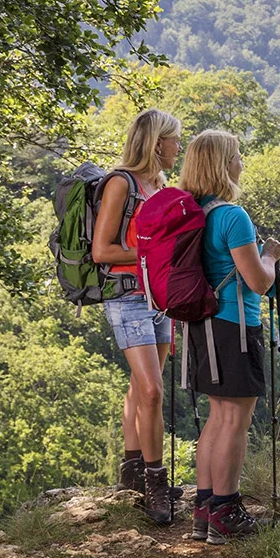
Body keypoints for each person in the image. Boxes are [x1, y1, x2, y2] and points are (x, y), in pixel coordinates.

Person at [178, 129, 280, 544]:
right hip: (235, 326)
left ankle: (204, 511)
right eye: (237, 156)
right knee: (235, 421)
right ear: (224, 165)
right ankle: (227, 511)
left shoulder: (192, 213)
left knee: (216, 418)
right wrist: (270, 255)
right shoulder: (231, 216)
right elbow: (258, 282)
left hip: (199, 325)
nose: (242, 163)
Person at [91, 107, 183, 524]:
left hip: (159, 299)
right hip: (126, 298)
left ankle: (130, 469)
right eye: (174, 140)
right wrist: (153, 253)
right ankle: (155, 483)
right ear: (156, 142)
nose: (178, 147)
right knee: (151, 393)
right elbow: (102, 251)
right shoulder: (120, 183)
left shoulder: (159, 184)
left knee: (141, 387)